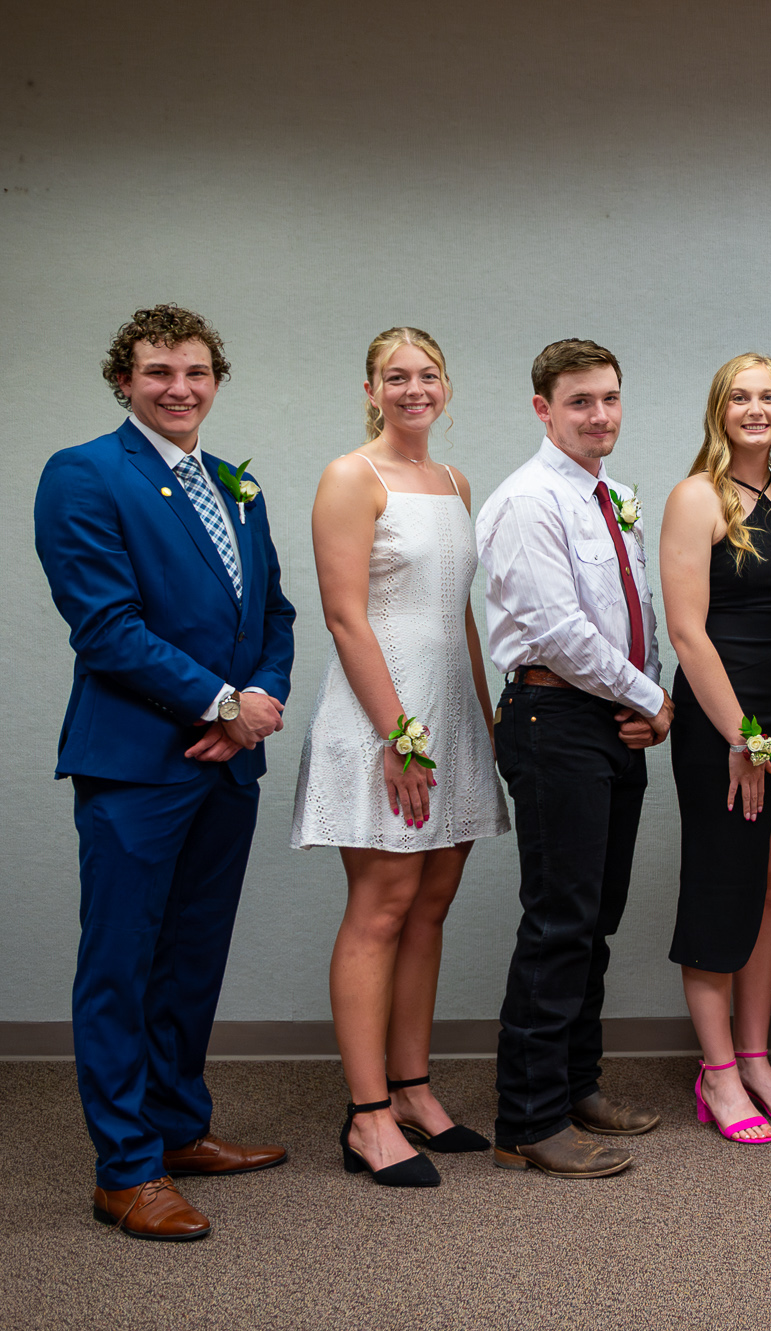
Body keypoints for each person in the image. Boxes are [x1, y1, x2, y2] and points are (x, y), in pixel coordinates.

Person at [34, 305, 296, 1241]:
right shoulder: (83, 473)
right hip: (136, 766)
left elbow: (275, 614)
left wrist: (257, 699)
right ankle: (125, 1169)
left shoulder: (234, 484)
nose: (178, 388)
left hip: (226, 766)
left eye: (195, 372)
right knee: (121, 964)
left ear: (215, 380)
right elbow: (106, 627)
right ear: (124, 381)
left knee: (191, 959)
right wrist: (222, 705)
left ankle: (179, 1129)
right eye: (158, 372)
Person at [292, 328, 511, 1186]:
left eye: (427, 375)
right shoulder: (352, 476)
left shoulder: (455, 481)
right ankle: (369, 1113)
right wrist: (399, 736)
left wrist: (484, 724)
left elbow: (458, 618)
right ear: (371, 390)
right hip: (382, 720)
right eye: (396, 376)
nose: (414, 388)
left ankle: (414, 1088)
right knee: (380, 906)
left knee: (430, 905)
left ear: (446, 385)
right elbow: (346, 616)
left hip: (451, 715)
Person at [475, 339, 673, 1178]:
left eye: (609, 398)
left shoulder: (612, 495)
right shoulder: (529, 500)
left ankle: (575, 1084)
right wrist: (650, 697)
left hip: (608, 718)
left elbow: (634, 609)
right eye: (580, 401)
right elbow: (558, 631)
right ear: (543, 409)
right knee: (559, 919)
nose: (599, 415)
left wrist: (645, 696)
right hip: (552, 715)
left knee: (595, 919)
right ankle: (527, 1119)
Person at [659, 353, 771, 1144]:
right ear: (719, 410)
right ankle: (719, 1072)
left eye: (769, 396)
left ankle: (758, 1059)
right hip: (722, 725)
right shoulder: (697, 497)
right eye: (741, 397)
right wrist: (742, 734)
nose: (756, 408)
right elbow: (686, 631)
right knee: (719, 887)